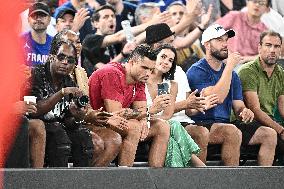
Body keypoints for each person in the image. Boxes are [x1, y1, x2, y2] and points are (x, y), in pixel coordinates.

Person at [186, 24, 277, 166]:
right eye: (219, 40)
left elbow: (238, 106)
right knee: (231, 131)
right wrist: (229, 66)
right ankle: (228, 181)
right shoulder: (196, 70)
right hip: (202, 123)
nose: (225, 44)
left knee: (269, 134)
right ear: (207, 45)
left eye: (225, 40)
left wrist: (244, 112)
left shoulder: (232, 75)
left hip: (225, 123)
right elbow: (218, 97)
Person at [30, 37, 125, 167]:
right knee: (59, 136)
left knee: (84, 138)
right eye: (61, 57)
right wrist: (61, 93)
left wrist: (77, 116)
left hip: (58, 127)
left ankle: (80, 182)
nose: (65, 62)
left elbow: (69, 122)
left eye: (70, 60)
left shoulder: (69, 82)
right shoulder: (36, 74)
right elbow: (34, 110)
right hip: (37, 126)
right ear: (52, 57)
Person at [89, 44, 171, 167]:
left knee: (162, 126)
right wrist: (148, 111)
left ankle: (156, 176)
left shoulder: (139, 78)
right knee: (134, 127)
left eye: (151, 69)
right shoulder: (112, 73)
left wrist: (144, 118)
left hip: (114, 121)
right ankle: (126, 179)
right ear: (131, 62)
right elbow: (116, 114)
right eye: (144, 67)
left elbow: (141, 110)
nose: (148, 73)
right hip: (95, 121)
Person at [145, 44, 205, 167]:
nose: (166, 62)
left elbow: (167, 115)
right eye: (163, 57)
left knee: (172, 141)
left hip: (162, 124)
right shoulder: (141, 79)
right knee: (174, 124)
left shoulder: (172, 85)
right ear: (154, 56)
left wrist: (156, 120)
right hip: (143, 121)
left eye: (170, 60)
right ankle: (200, 167)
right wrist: (148, 115)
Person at [82, 4, 170, 76]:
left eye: (113, 16)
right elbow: (103, 71)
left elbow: (136, 40)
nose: (111, 19)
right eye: (105, 17)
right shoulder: (89, 40)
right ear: (95, 23)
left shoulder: (116, 42)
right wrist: (152, 23)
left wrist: (158, 27)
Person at [238, 30, 284, 163]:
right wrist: (280, 130)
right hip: (246, 122)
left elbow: (282, 107)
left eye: (276, 46)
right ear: (259, 47)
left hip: (268, 120)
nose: (272, 50)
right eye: (268, 45)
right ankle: (264, 182)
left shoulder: (281, 73)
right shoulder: (248, 71)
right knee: (271, 134)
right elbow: (255, 110)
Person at [21, 2, 53, 66]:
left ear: (49, 19)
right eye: (34, 15)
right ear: (28, 20)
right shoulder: (18, 42)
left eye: (42, 15)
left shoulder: (55, 44)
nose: (38, 19)